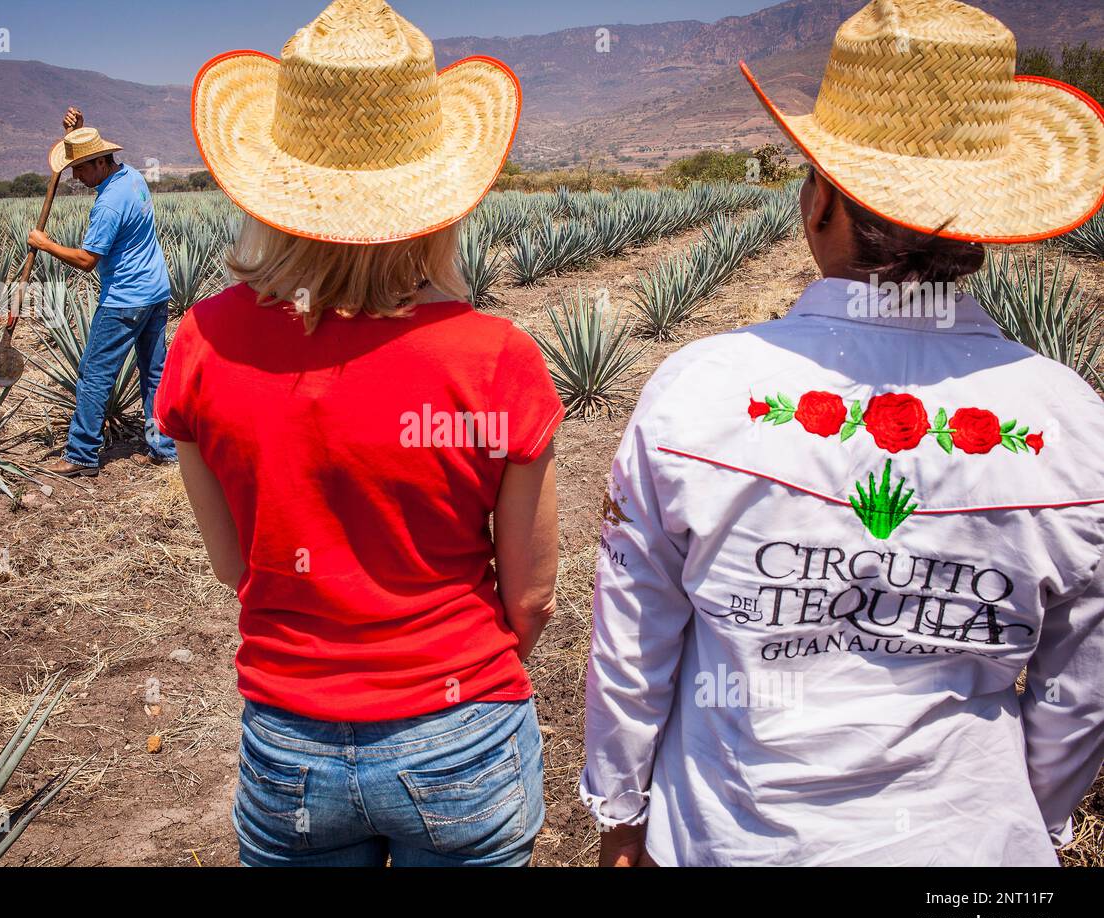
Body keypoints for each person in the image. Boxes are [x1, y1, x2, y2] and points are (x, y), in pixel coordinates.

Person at [581, 0, 1104, 866]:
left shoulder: (698, 392)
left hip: (731, 839)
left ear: (820, 198)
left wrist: (620, 809)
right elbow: (1077, 692)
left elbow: (634, 638)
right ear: (982, 228)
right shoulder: (1073, 424)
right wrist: (1029, 820)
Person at [155, 0, 562, 866]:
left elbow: (237, 567)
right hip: (463, 736)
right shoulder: (496, 359)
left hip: (289, 745)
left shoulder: (202, 343)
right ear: (441, 199)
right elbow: (530, 599)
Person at [28, 108, 176, 476]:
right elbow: (87, 156)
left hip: (124, 301)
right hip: (156, 292)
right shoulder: (134, 178)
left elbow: (86, 259)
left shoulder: (108, 204)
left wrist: (44, 243)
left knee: (95, 374)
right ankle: (163, 447)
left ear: (99, 162)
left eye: (79, 169)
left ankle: (81, 454)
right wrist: (76, 133)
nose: (75, 177)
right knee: (155, 373)